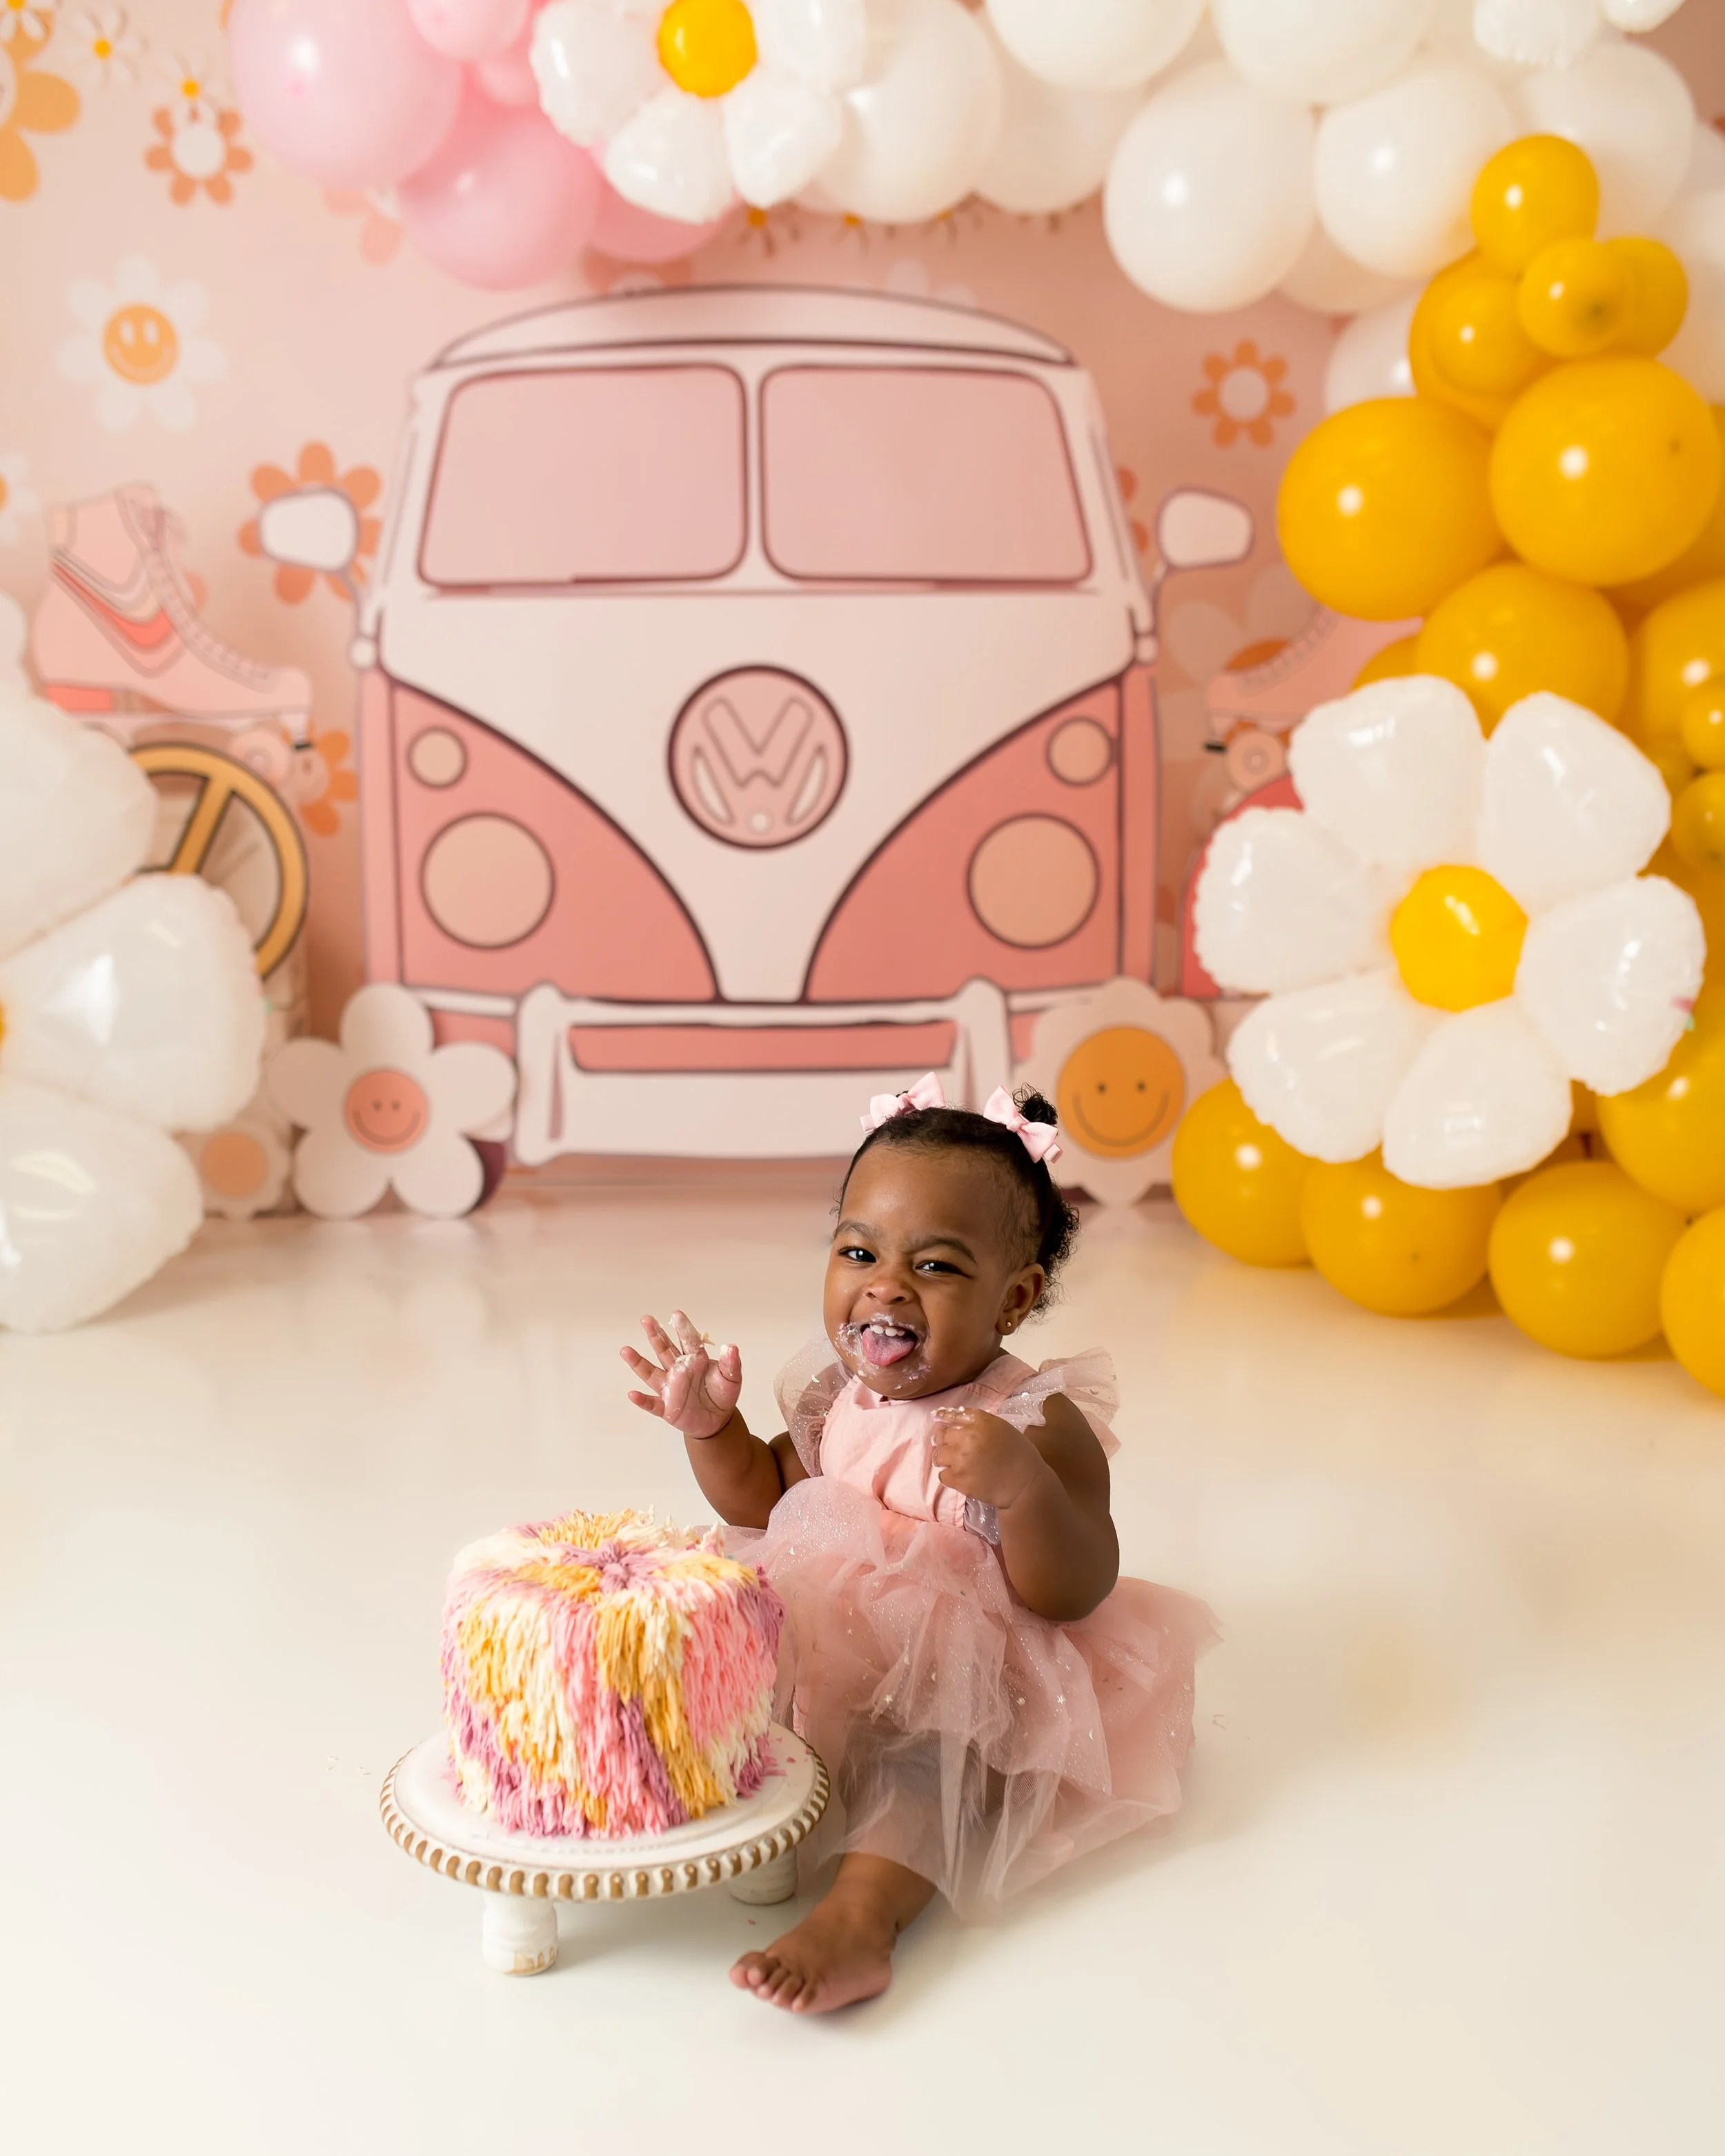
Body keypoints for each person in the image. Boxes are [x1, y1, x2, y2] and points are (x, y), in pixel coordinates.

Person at [621, 1076, 1213, 2013]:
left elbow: (1077, 1586)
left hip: (965, 1668)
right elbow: (769, 1501)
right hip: (824, 1638)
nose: (885, 1285)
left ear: (1013, 1300)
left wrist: (1019, 1488)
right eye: (859, 1251)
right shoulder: (837, 1397)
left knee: (928, 1759)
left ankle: (862, 1917)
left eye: (937, 1267)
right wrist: (711, 1431)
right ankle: (644, 1793)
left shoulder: (1031, 1417)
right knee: (702, 1652)